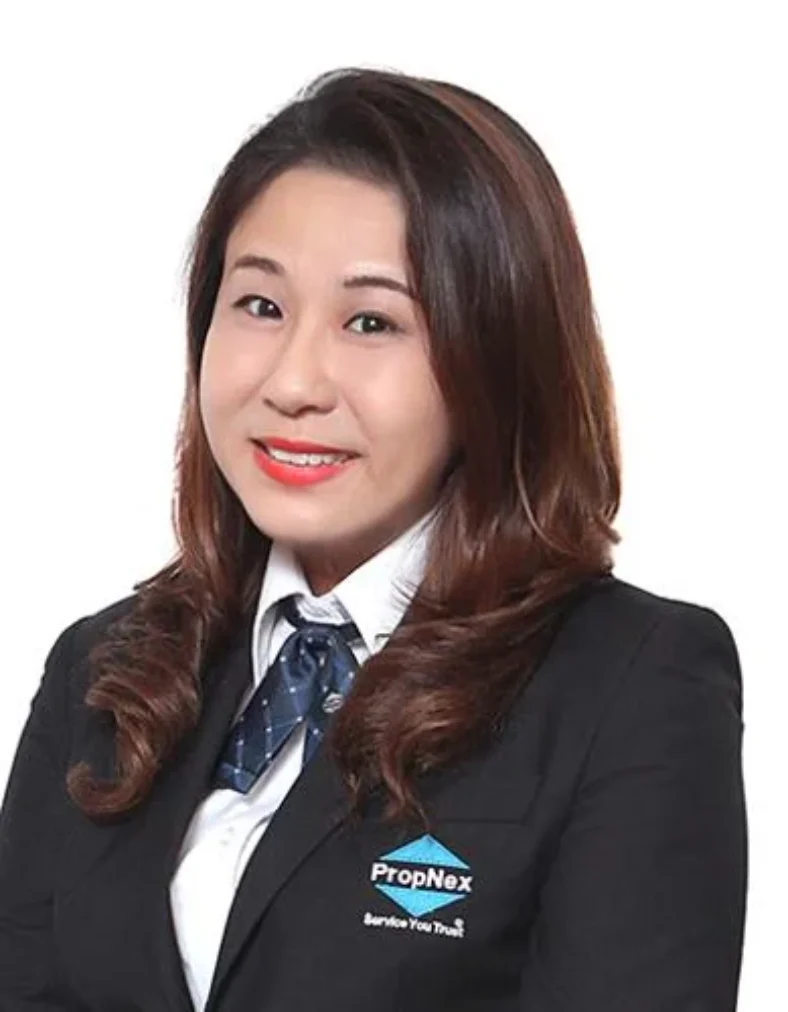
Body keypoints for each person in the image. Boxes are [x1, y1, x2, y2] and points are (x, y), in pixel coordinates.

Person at [0, 66, 746, 1011]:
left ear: (496, 358)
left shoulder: (632, 682)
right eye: (260, 305)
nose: (293, 383)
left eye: (371, 321)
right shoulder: (103, 670)